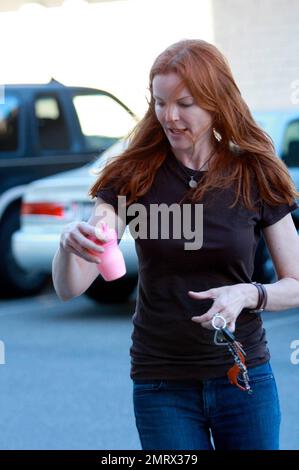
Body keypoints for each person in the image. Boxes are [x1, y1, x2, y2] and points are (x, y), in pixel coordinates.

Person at [52, 39, 299, 450]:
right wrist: (69, 247)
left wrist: (249, 294)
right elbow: (69, 287)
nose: (169, 116)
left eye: (184, 104)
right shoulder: (131, 175)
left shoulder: (254, 173)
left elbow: (295, 282)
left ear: (216, 101)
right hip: (161, 384)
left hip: (243, 378)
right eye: (160, 102)